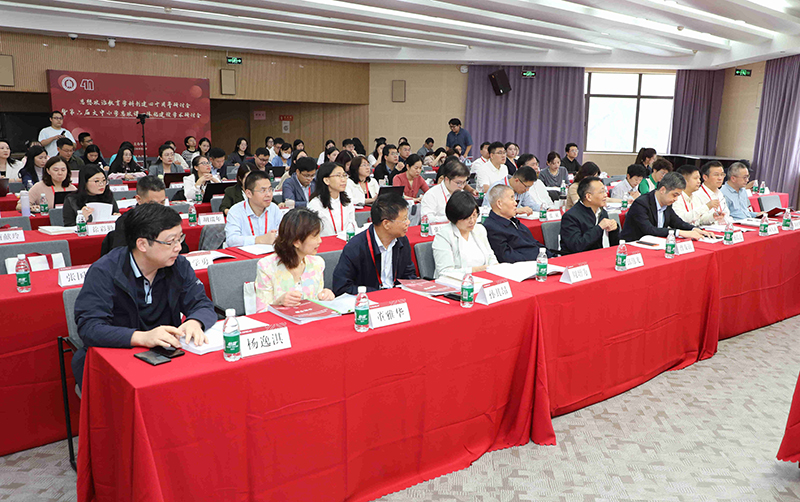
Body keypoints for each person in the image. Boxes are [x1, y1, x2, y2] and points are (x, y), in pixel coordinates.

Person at [71, 202, 215, 388]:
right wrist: (142, 337)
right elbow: (90, 328)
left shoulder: (178, 265)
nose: (179, 247)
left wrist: (195, 321)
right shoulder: (104, 271)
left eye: (180, 238)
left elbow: (202, 304)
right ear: (142, 244)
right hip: (116, 360)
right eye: (170, 241)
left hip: (165, 355)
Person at [332, 191, 417, 294]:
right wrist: (375, 292)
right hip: (368, 299)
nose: (408, 222)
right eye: (404, 219)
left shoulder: (402, 241)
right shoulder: (356, 247)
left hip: (397, 297)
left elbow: (409, 275)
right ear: (386, 224)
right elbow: (341, 287)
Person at [254, 208, 335, 310]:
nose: (320, 241)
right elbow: (261, 312)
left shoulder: (317, 263)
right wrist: (278, 302)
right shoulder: (267, 267)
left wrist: (325, 296)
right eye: (314, 236)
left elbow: (317, 303)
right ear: (296, 241)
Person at [619, 172, 713, 242]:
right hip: (634, 245)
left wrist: (694, 229)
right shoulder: (641, 203)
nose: (676, 199)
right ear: (663, 190)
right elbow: (649, 230)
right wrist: (681, 233)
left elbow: (677, 222)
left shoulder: (667, 203)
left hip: (657, 244)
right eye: (674, 195)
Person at [109, 176, 190, 253]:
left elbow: (183, 249)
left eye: (162, 202)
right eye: (153, 204)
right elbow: (121, 255)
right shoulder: (126, 221)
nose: (159, 208)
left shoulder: (170, 218)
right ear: (139, 199)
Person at [432, 191, 498, 278]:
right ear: (455, 217)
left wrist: (496, 267)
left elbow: (490, 257)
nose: (472, 221)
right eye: (467, 218)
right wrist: (474, 270)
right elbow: (444, 272)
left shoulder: (479, 229)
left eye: (474, 215)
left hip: (484, 278)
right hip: (456, 282)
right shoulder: (444, 236)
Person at [483, 185, 551, 263]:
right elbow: (507, 257)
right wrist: (539, 258)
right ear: (499, 204)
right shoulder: (492, 227)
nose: (515, 203)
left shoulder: (514, 221)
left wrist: (549, 255)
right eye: (511, 199)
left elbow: (534, 244)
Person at [560, 176, 620, 255]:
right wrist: (599, 227)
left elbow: (613, 245)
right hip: (577, 259)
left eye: (605, 191)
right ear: (588, 197)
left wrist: (614, 229)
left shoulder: (602, 212)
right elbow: (576, 246)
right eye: (601, 192)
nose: (605, 195)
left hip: (598, 255)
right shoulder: (570, 217)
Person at [225, 170, 283, 247]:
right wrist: (259, 240)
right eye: (263, 190)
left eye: (270, 189)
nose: (269, 194)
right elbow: (231, 240)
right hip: (245, 254)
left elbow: (283, 234)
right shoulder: (235, 211)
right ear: (249, 193)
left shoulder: (274, 208)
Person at [307, 162, 356, 237]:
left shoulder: (347, 201)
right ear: (326, 180)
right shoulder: (315, 204)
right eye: (338, 176)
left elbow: (353, 225)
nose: (344, 180)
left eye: (344, 175)